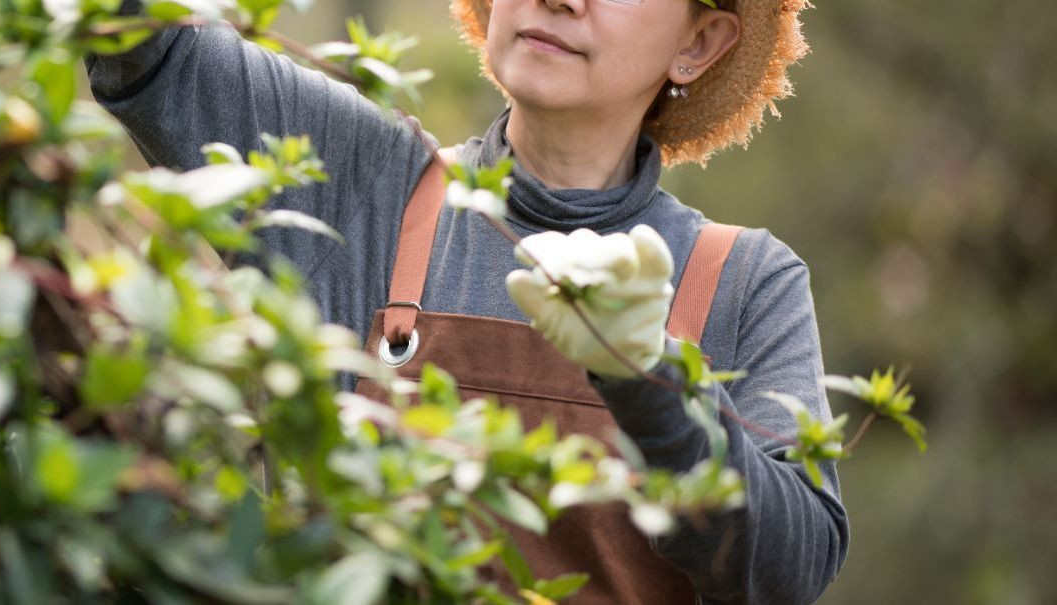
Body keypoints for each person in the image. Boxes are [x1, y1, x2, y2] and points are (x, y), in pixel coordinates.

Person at [87, 0, 846, 602]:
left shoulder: (746, 283)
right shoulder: (361, 180)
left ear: (701, 40)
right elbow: (145, 46)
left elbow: (790, 569)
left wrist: (646, 378)